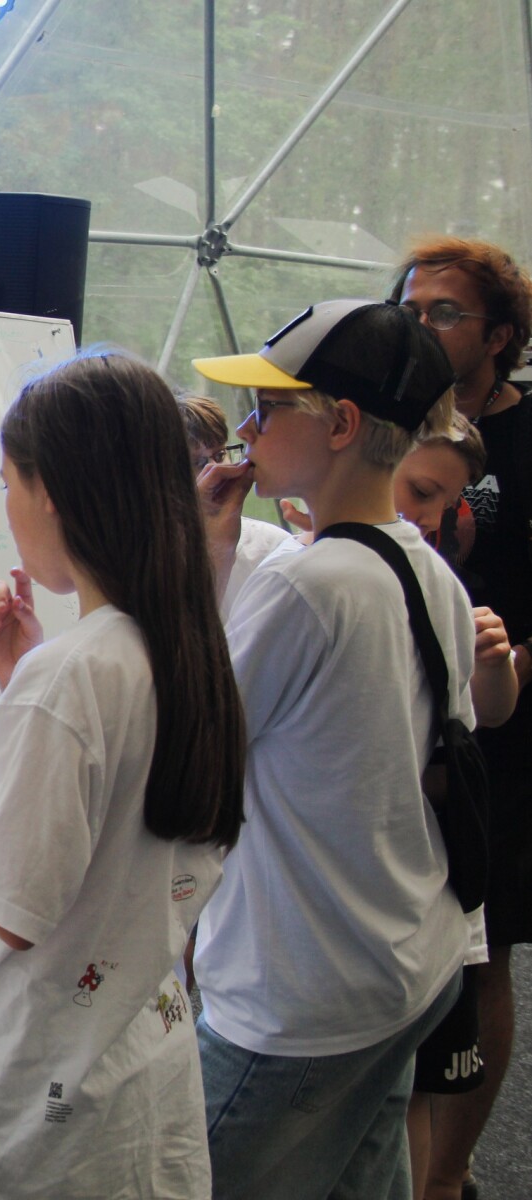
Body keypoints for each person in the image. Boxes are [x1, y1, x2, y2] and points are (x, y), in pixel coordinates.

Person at [0, 351, 243, 1198]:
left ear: (51, 491)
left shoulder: (71, 675)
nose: (6, 505)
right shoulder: (187, 649)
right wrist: (16, 678)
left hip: (38, 1099)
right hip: (136, 1070)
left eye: (7, 482)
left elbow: (13, 908)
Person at [192, 299, 474, 1197]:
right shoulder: (424, 569)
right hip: (405, 958)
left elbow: (188, 746)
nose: (246, 429)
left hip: (300, 995)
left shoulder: (308, 586)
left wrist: (197, 560)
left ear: (341, 424)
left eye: (269, 408)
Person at [394, 236, 532, 1200]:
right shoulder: (394, 419)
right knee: (405, 943)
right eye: (410, 309)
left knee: (485, 949)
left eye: (444, 311)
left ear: (498, 336)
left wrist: (508, 675)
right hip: (403, 718)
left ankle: (449, 1173)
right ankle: (397, 1156)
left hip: (505, 730)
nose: (422, 324)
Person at [177, 393, 292, 616]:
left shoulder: (272, 547)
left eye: (220, 455)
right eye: (198, 462)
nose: (216, 470)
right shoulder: (148, 559)